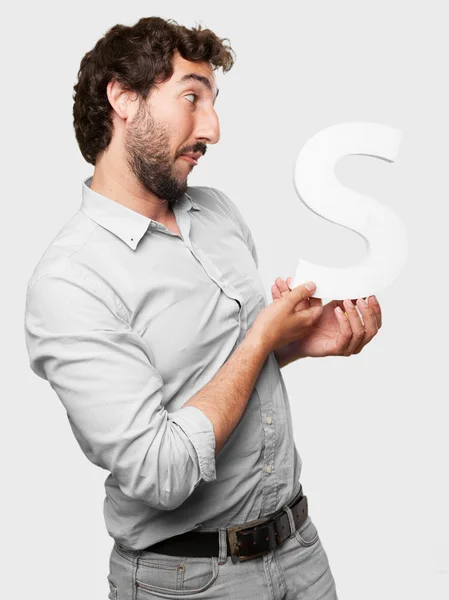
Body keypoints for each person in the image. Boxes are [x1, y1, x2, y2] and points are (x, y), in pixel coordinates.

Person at [24, 16, 382, 599]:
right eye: (191, 97)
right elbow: (159, 472)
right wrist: (261, 341)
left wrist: (296, 341)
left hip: (299, 550)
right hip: (189, 581)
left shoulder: (216, 212)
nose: (212, 128)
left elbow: (206, 373)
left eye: (212, 102)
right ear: (122, 98)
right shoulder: (70, 282)